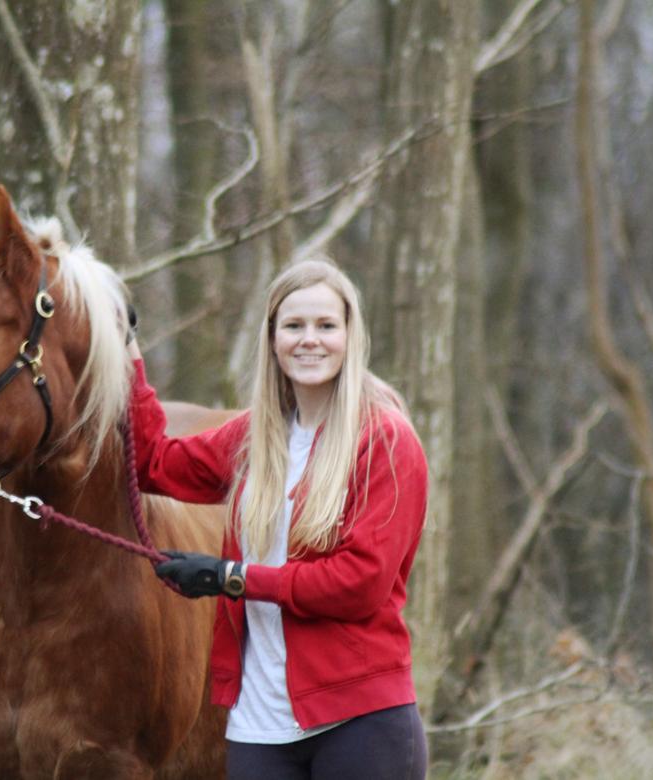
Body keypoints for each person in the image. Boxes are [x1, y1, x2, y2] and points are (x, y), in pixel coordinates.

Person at [126, 259, 429, 779]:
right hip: (258, 729)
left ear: (350, 336)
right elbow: (154, 462)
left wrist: (233, 580)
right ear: (272, 339)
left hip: (360, 721)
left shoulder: (384, 440)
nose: (309, 340)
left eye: (326, 326)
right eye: (294, 326)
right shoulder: (254, 438)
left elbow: (361, 582)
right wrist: (127, 353)